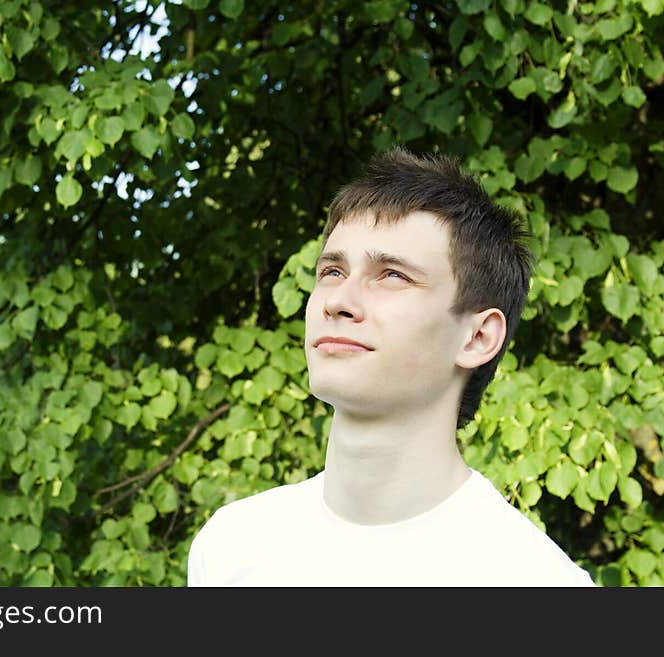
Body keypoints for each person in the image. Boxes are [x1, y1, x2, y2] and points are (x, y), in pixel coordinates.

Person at [187, 147, 595, 586]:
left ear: (477, 338)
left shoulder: (536, 582)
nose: (340, 301)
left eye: (392, 275)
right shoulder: (231, 547)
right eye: (332, 272)